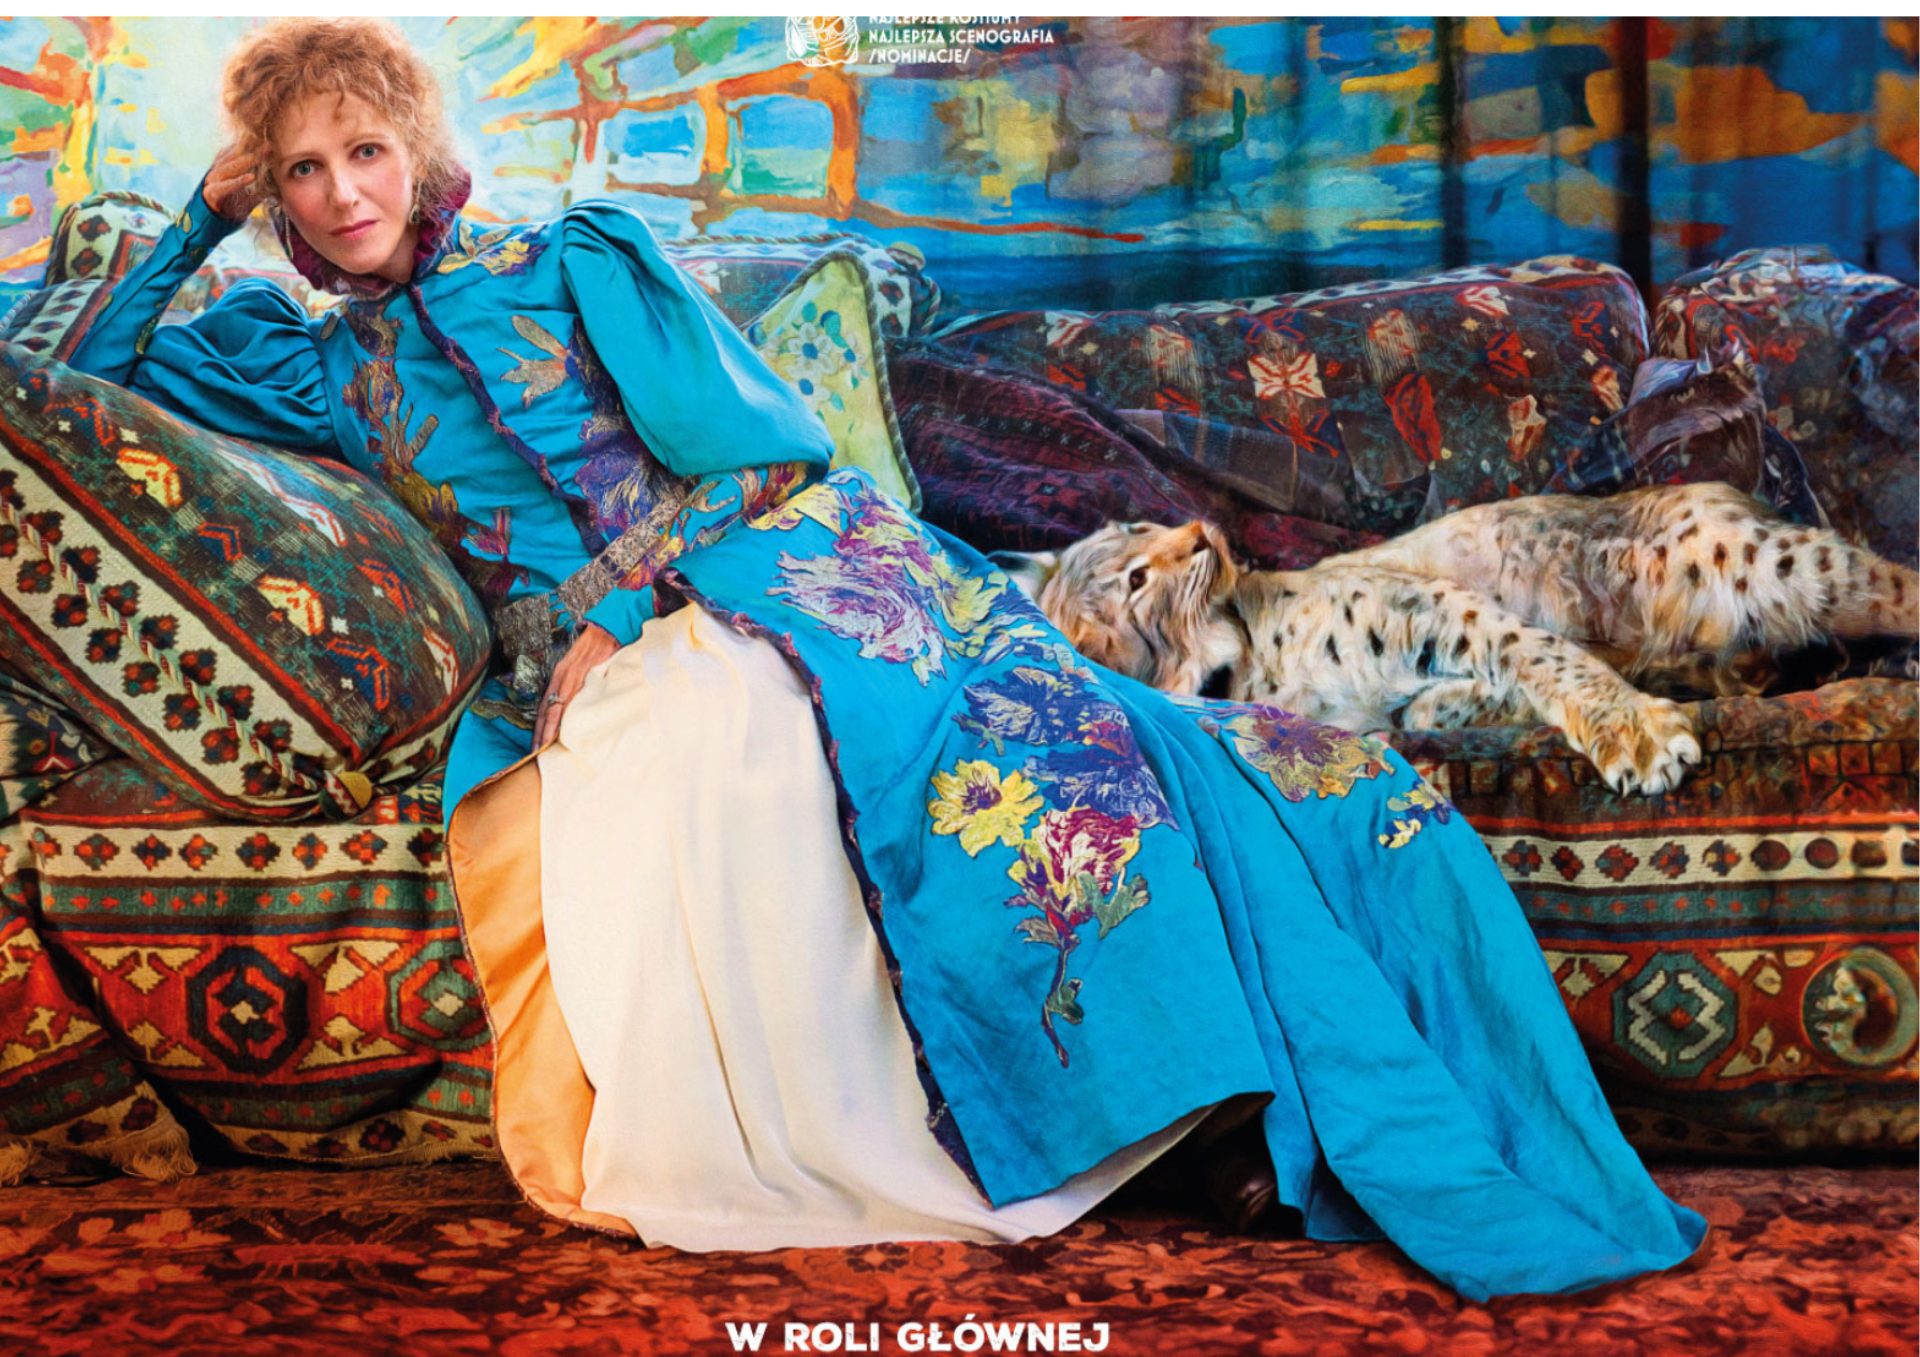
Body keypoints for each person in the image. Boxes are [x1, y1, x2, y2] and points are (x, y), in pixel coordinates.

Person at [64, 17, 1705, 1300]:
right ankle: (1122, 1115)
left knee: (1012, 753)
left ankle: (1199, 1093)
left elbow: (768, 458)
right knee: (696, 750)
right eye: (299, 171)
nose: (340, 194)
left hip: (765, 566)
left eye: (364, 150)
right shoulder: (297, 361)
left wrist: (623, 608)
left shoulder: (574, 258)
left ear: (419, 150)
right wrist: (198, 216)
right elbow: (77, 375)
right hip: (582, 662)